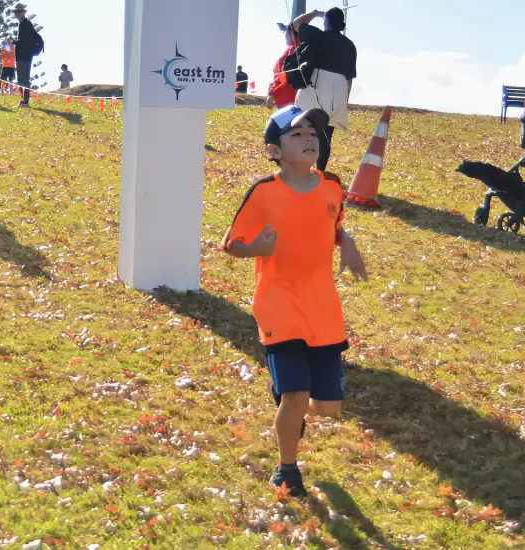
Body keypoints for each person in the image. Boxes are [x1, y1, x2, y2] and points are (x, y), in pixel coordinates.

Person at [221, 105, 368, 498]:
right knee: (296, 397)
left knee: (327, 409)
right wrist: (257, 247)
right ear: (274, 150)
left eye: (312, 132)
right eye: (296, 133)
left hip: (322, 306)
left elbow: (335, 228)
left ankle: (286, 392)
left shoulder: (333, 186)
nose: (308, 139)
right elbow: (230, 243)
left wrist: (348, 244)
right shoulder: (264, 191)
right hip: (278, 302)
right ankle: (287, 469)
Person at [292, 8, 357, 172]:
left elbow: (296, 23)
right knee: (326, 135)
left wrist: (314, 13)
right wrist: (344, 101)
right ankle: (320, 171)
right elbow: (349, 78)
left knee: (303, 128)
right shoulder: (350, 46)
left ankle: (300, 167)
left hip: (317, 84)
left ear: (326, 22)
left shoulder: (317, 36)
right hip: (338, 90)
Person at [12, 3, 41, 107]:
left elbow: (26, 41)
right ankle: (24, 101)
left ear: (23, 12)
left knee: (23, 79)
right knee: (21, 79)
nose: (17, 14)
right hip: (22, 55)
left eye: (19, 11)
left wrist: (15, 42)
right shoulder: (22, 24)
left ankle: (25, 102)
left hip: (25, 56)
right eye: (15, 12)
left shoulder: (26, 24)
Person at [268, 24, 301, 109]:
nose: (285, 37)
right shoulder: (296, 49)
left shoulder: (295, 50)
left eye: (286, 34)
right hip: (289, 99)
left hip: (288, 101)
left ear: (292, 35)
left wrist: (273, 94)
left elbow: (289, 78)